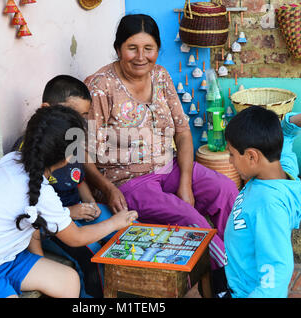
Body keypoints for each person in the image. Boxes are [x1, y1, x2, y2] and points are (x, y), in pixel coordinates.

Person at [84, 14, 239, 270]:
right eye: (132, 48)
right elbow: (83, 153)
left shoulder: (160, 76)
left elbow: (183, 133)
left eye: (149, 48)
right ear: (118, 49)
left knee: (225, 191)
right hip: (127, 181)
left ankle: (238, 258)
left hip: (169, 167)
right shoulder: (100, 86)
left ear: (157, 49)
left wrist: (185, 182)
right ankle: (226, 277)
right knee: (189, 219)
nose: (141, 56)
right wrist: (109, 189)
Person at [0, 106, 138, 298]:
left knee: (69, 281)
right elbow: (76, 237)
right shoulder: (40, 191)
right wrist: (116, 222)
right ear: (68, 157)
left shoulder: (11, 161)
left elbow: (31, 219)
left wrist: (39, 259)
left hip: (9, 257)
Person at [10, 75, 123, 297]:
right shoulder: (30, 151)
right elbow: (33, 209)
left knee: (124, 232)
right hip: (50, 226)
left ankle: (131, 290)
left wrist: (90, 202)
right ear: (46, 108)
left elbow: (78, 178)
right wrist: (72, 212)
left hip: (78, 211)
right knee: (92, 255)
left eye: (82, 116)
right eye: (72, 114)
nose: (78, 122)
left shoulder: (72, 141)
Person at [222, 106, 301, 298]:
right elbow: (286, 135)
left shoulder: (269, 206)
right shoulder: (281, 166)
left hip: (245, 291)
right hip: (236, 272)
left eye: (232, 154)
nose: (230, 161)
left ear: (251, 156)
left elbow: (276, 273)